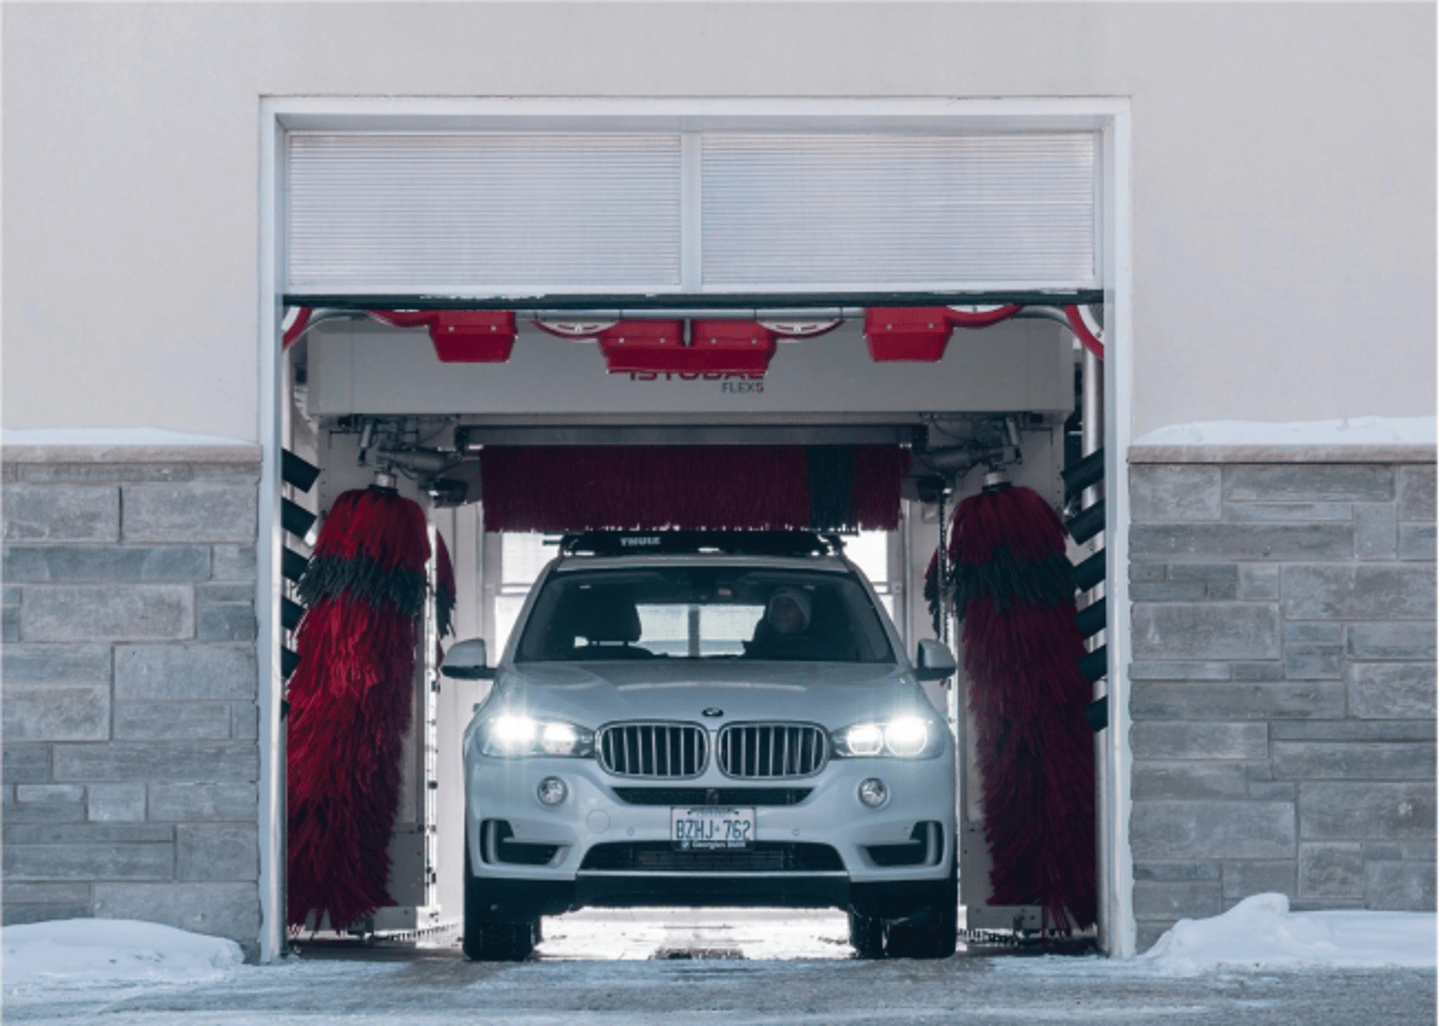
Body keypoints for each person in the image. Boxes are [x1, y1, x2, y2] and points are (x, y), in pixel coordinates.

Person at [744, 586, 839, 660]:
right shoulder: (756, 653)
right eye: (777, 605)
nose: (782, 611)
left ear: (803, 615)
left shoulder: (819, 653)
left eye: (789, 605)